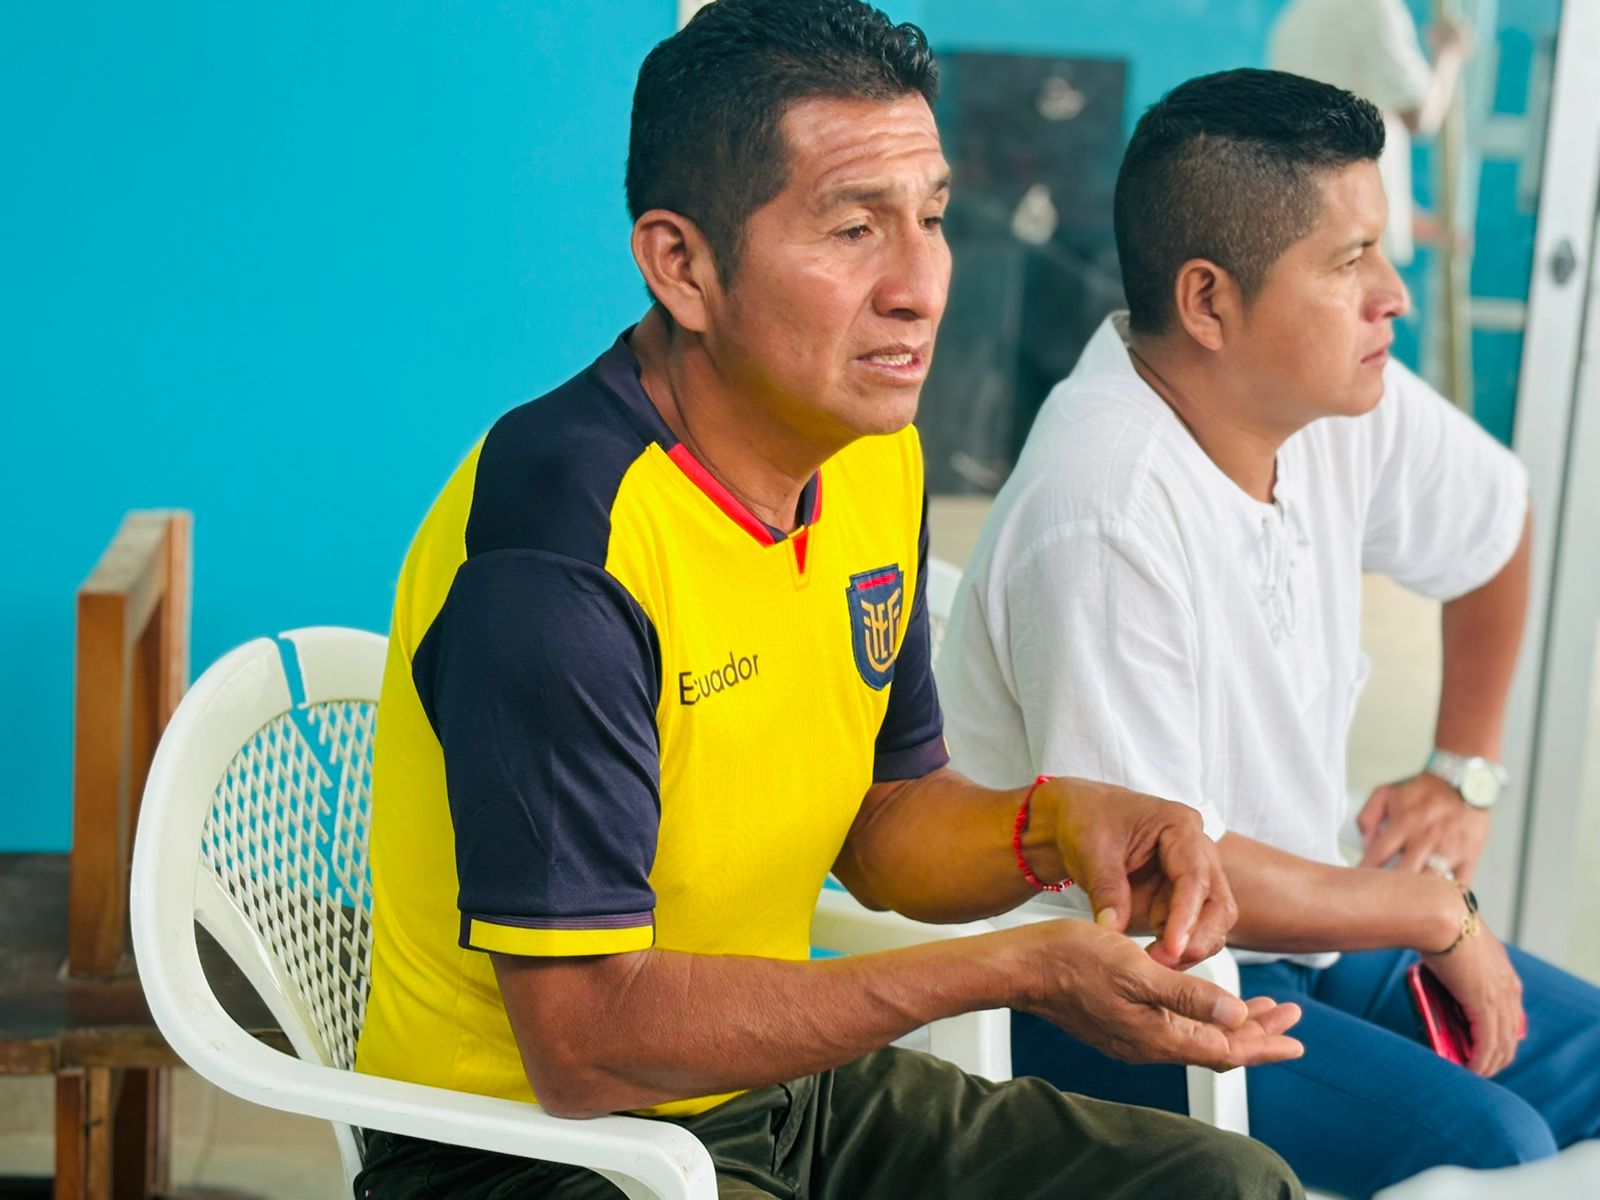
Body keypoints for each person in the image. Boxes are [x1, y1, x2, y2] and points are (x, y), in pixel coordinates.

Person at [350, 6, 1305, 1199]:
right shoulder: (560, 551)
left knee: (1227, 1187)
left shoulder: (869, 456)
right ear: (681, 266)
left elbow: (885, 817)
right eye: (854, 228)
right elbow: (584, 1043)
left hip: (769, 1092)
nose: (918, 287)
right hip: (530, 1154)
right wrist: (1015, 968)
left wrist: (1063, 826)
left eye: (932, 217)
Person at [938, 68, 1600, 1200]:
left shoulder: (1326, 396)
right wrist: (1428, 908)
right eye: (1350, 261)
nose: (1393, 295)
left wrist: (1464, 770)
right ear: (1208, 302)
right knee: (1497, 1152)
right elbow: (1156, 878)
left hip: (1303, 935)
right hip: (1107, 991)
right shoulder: (1103, 507)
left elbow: (1495, 523)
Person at [1269, 0, 1473, 266]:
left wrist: (1408, 219)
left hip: (1315, 229)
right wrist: (1450, 55)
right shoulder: (1373, 8)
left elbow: (1321, 147)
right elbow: (1420, 117)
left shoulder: (1294, 19)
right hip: (1357, 240)